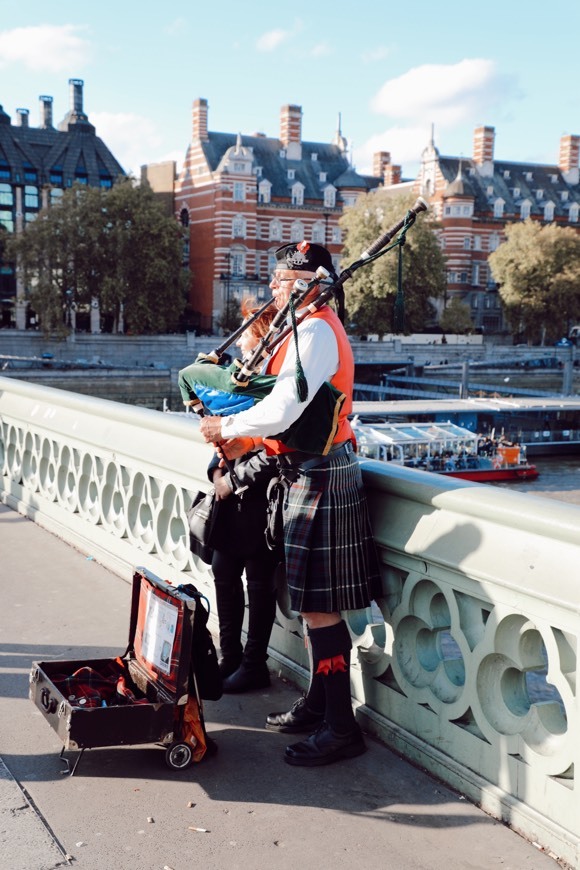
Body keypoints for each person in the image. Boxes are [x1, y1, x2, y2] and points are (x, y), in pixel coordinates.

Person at [199, 242, 380, 767]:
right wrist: (239, 438)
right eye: (276, 277)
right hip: (305, 472)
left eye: (284, 278)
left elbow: (283, 407)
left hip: (320, 475)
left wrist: (228, 426)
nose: (275, 286)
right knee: (310, 604)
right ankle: (319, 706)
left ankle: (341, 729)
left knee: (320, 609)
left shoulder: (317, 329)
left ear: (308, 282)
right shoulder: (300, 327)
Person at [208, 301, 280, 693]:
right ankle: (229, 655)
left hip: (259, 500)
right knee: (222, 571)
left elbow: (275, 449)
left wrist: (231, 481)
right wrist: (216, 470)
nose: (241, 349)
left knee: (258, 582)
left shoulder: (274, 384)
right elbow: (227, 434)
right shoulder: (245, 380)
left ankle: (254, 664)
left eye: (247, 340)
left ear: (263, 342)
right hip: (231, 498)